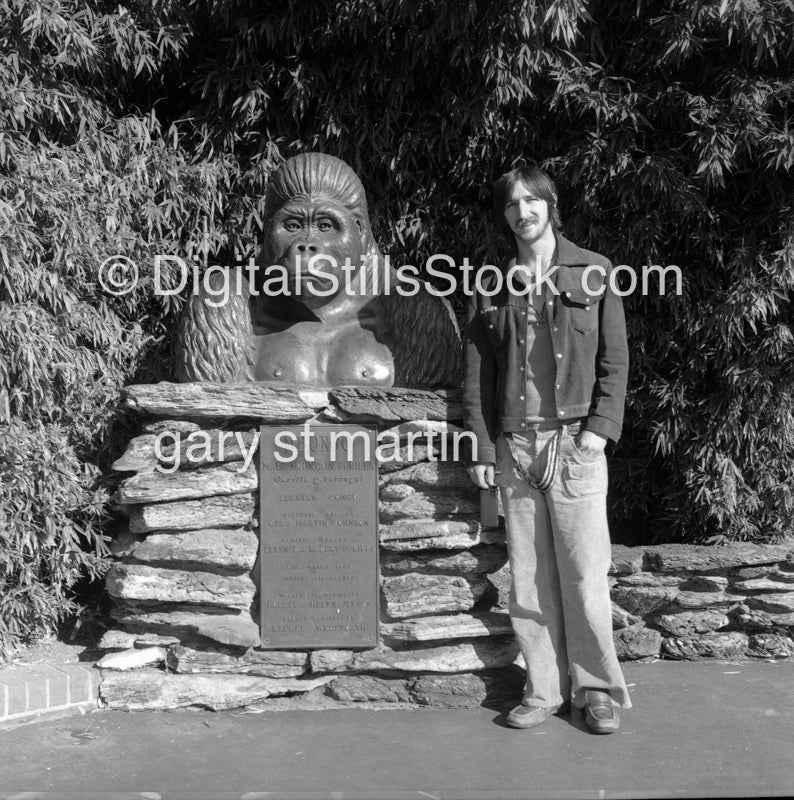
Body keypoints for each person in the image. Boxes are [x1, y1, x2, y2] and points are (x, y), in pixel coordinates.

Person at [462, 165, 631, 734]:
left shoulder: (594, 271)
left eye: (532, 200)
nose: (522, 212)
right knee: (528, 578)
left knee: (585, 574)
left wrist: (597, 431)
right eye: (512, 204)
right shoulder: (492, 285)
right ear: (504, 215)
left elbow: (615, 361)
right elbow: (477, 374)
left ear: (550, 204)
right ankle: (544, 689)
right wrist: (484, 447)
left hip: (574, 441)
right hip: (517, 445)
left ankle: (597, 690)